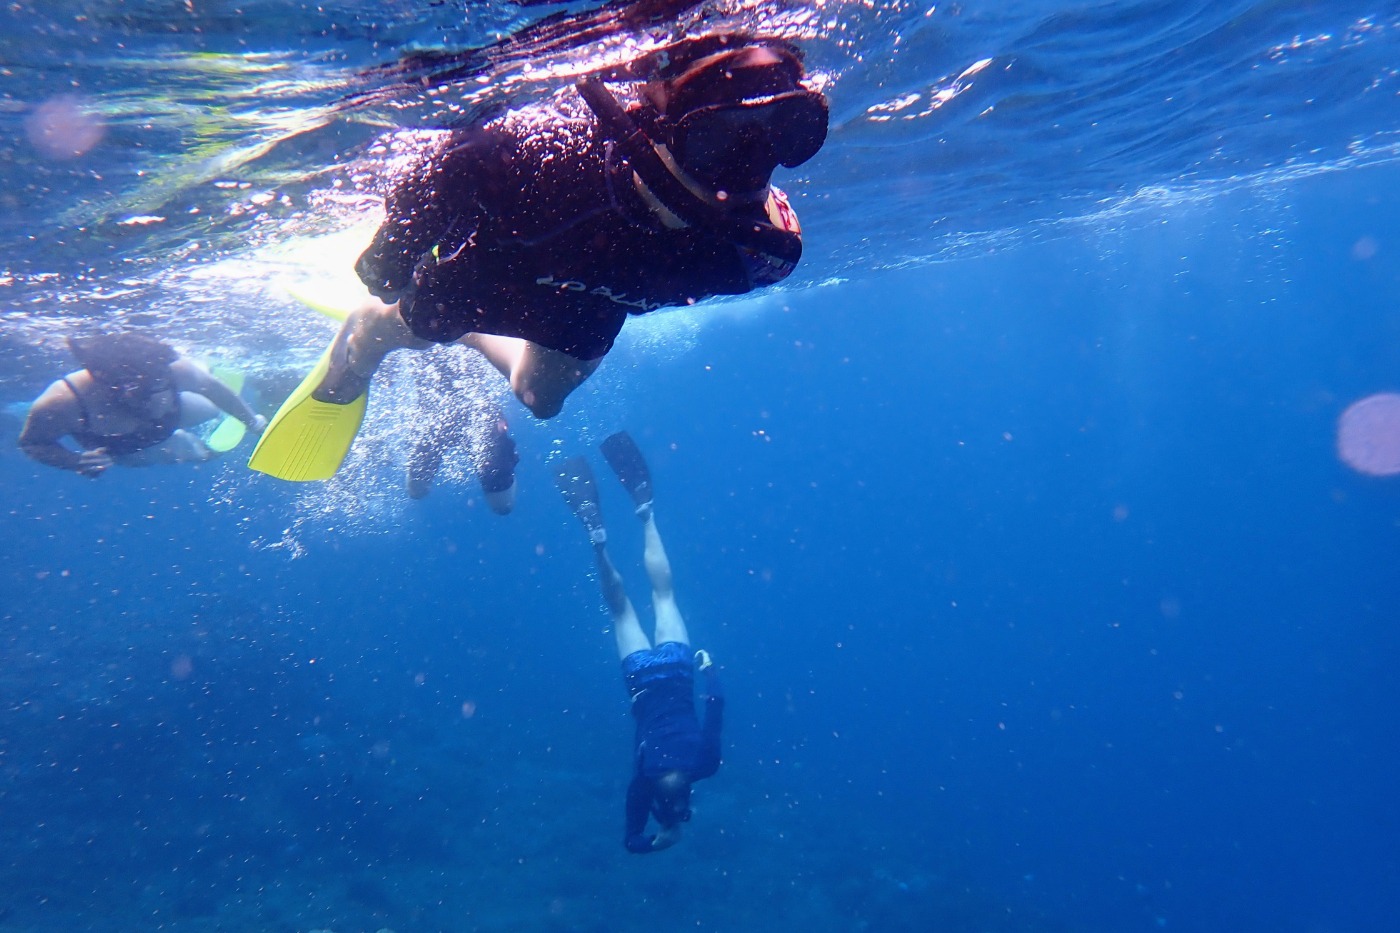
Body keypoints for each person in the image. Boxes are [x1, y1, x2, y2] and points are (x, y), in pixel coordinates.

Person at [251, 32, 828, 481]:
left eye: (788, 132)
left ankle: (467, 336)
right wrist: (393, 254)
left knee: (540, 401)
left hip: (594, 298)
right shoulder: (530, 161)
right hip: (496, 271)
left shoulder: (754, 253)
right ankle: (367, 337)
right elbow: (422, 203)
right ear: (650, 129)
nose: (750, 171)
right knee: (406, 322)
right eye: (714, 142)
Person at [556, 431, 723, 854]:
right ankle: (598, 541)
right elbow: (632, 840)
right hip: (642, 681)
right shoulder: (643, 780)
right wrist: (657, 838)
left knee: (662, 594)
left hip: (678, 669)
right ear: (658, 803)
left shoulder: (704, 765)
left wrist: (708, 669)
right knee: (622, 610)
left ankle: (645, 511)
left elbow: (716, 707)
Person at [18, 333, 267, 477]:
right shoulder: (63, 401)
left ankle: (209, 370)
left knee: (211, 404)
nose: (152, 392)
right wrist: (74, 461)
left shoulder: (174, 370)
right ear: (104, 380)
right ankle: (201, 452)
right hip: (124, 447)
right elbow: (32, 443)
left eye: (159, 380)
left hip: (172, 415)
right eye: (141, 388)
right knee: (186, 454)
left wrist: (253, 421)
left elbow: (213, 389)